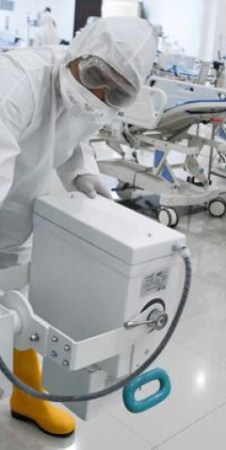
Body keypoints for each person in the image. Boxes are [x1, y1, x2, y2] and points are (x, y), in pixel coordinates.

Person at [0, 16, 157, 437]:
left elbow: (75, 135)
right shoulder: (14, 84)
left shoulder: (90, 98)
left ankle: (26, 396)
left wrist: (82, 171)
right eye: (94, 76)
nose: (98, 95)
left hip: (15, 214)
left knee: (18, 307)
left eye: (116, 92)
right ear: (78, 50)